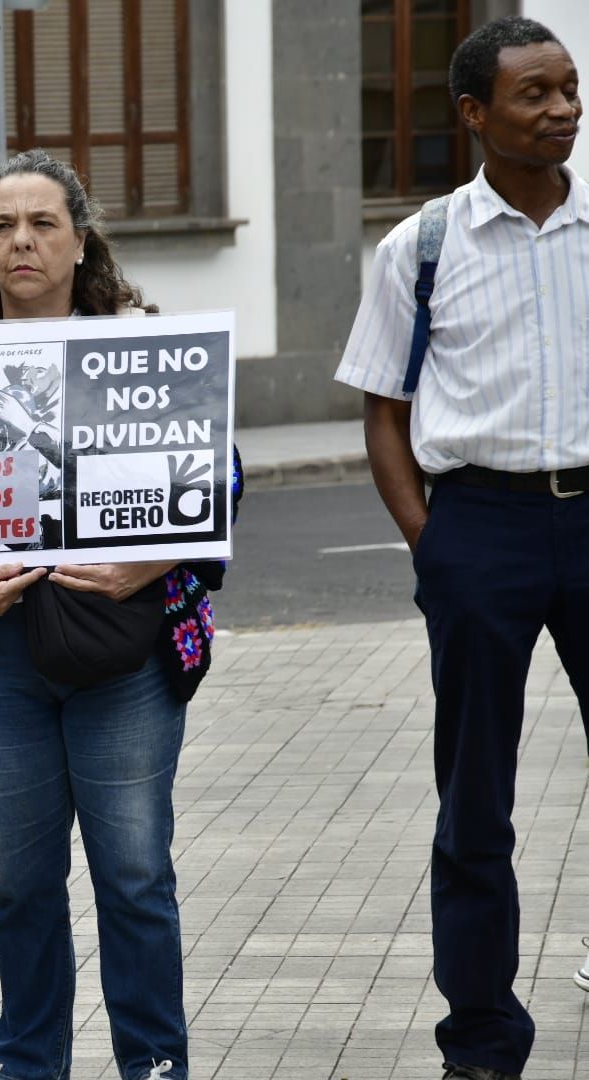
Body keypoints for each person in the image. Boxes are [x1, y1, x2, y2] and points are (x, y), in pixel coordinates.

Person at [0, 150, 239, 1080]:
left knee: (134, 877)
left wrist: (148, 562)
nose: (22, 241)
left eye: (43, 223)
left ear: (81, 243)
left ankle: (153, 1065)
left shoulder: (143, 348)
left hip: (124, 654)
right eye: (2, 226)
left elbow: (221, 482)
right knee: (22, 883)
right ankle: (29, 1065)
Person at [334, 17, 588, 1080]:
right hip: (478, 527)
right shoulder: (423, 246)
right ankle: (481, 1036)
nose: (563, 109)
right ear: (476, 114)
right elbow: (383, 410)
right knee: (475, 796)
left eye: (570, 88)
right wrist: (430, 543)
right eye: (535, 94)